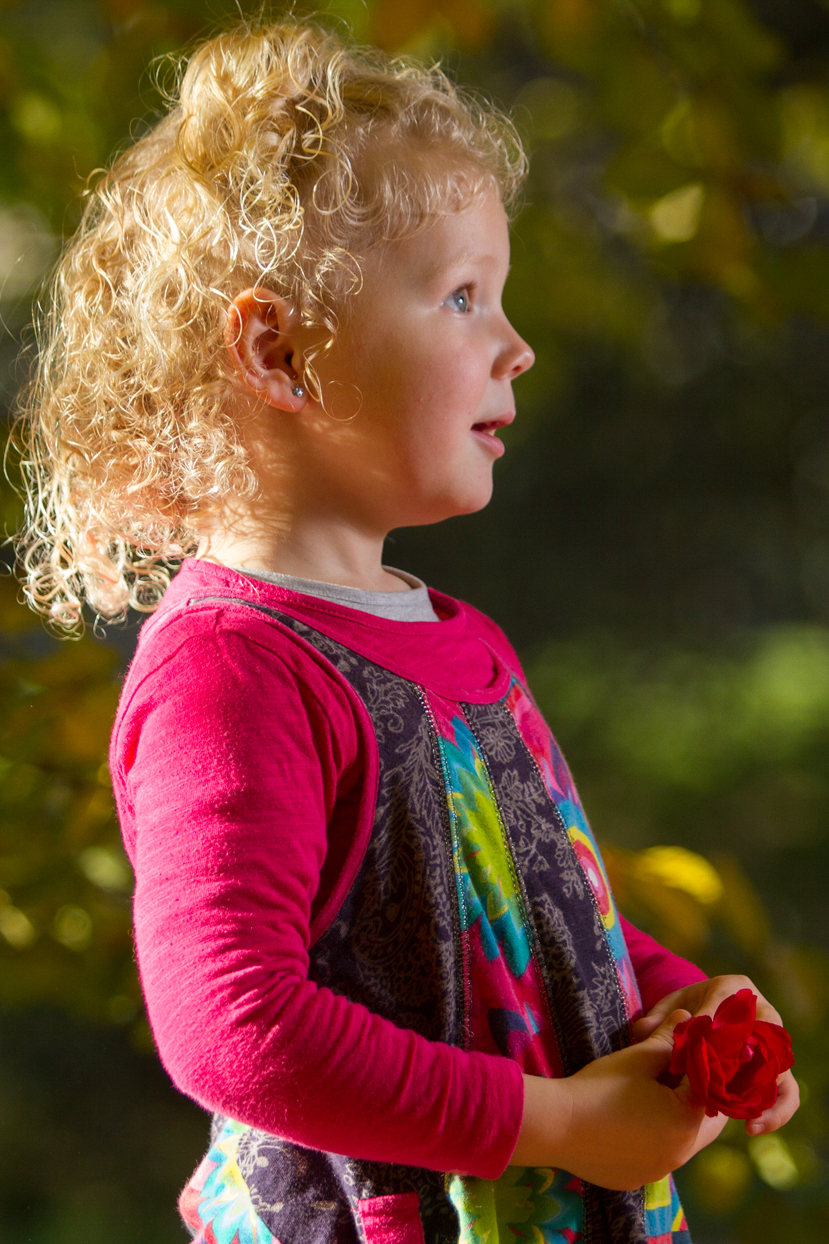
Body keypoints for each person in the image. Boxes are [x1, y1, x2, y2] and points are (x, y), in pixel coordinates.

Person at [15, 18, 798, 1244]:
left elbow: (534, 907)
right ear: (279, 351)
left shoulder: (461, 637)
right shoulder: (234, 668)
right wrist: (549, 1123)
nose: (515, 343)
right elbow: (236, 1028)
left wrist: (666, 999)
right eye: (462, 296)